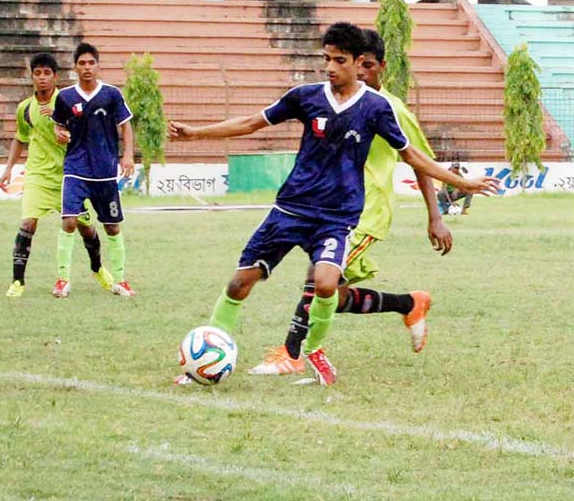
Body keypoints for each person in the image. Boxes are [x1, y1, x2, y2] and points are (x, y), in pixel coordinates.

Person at [169, 23, 498, 386]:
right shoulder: (305, 97)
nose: (329, 67)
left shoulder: (378, 108)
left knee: (325, 283)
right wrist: (196, 132)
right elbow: (250, 123)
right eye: (326, 58)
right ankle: (211, 350)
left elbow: (413, 156)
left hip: (338, 217)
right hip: (290, 210)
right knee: (239, 284)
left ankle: (311, 351)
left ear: (358, 63)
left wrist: (462, 183)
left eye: (338, 60)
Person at [249, 29, 452, 377]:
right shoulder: (338, 101)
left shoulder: (392, 109)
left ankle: (291, 353)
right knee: (335, 295)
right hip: (329, 206)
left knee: (317, 279)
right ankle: (409, 303)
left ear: (379, 67)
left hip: (366, 213)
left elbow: (420, 164)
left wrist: (436, 217)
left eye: (368, 67)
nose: (361, 74)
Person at [0, 52, 114, 297]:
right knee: (28, 222)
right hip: (38, 175)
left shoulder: (69, 100)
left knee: (85, 228)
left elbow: (85, 132)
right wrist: (8, 169)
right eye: (37, 73)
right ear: (31, 77)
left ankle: (98, 268)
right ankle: (18, 282)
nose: (41, 78)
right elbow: (20, 138)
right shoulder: (25, 109)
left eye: (46, 73)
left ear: (55, 76)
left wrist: (65, 131)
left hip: (69, 175)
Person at [51, 42, 136, 297]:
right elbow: (57, 125)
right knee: (69, 221)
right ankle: (62, 279)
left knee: (112, 227)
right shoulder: (65, 97)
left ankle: (120, 280)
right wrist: (59, 133)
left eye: (91, 63)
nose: (87, 68)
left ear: (98, 66)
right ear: (75, 67)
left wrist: (128, 155)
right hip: (75, 169)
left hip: (105, 171)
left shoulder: (111, 94)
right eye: (82, 63)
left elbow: (126, 126)